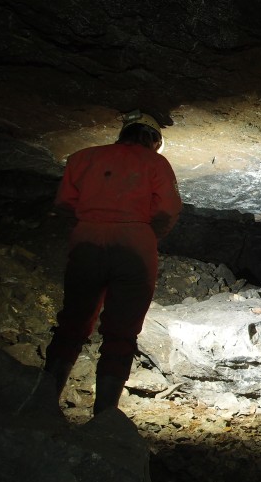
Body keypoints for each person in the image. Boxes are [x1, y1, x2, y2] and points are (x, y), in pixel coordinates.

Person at [42, 110, 183, 415]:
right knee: (122, 330)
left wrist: (91, 222)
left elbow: (64, 203)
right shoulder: (156, 163)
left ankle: (42, 404)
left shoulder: (82, 158)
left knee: (72, 324)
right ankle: (105, 415)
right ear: (154, 140)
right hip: (135, 244)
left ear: (123, 133)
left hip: (87, 241)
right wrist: (144, 232)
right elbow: (168, 209)